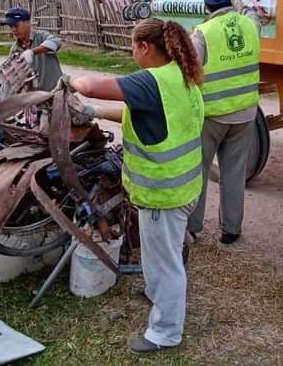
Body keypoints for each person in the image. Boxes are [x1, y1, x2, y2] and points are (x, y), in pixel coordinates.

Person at [68, 18, 204, 355]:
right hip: (182, 188)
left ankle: (165, 332)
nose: (132, 53)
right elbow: (138, 114)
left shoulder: (151, 81)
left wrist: (72, 81)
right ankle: (157, 293)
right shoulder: (180, 77)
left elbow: (94, 84)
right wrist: (95, 112)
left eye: (133, 47)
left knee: (165, 262)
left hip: (163, 195)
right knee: (161, 255)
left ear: (145, 47)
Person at [187, 0, 261, 244]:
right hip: (245, 114)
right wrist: (243, 6)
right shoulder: (249, 26)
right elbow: (254, 16)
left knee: (199, 172)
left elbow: (191, 70)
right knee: (233, 173)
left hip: (213, 116)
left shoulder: (203, 32)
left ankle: (192, 228)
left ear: (205, 5)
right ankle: (231, 230)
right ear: (230, 0)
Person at [0, 7, 63, 91]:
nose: (13, 30)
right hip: (33, 99)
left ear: (28, 23)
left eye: (16, 25)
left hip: (56, 92)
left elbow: (56, 42)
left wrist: (32, 52)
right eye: (11, 26)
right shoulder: (15, 49)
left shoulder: (41, 37)